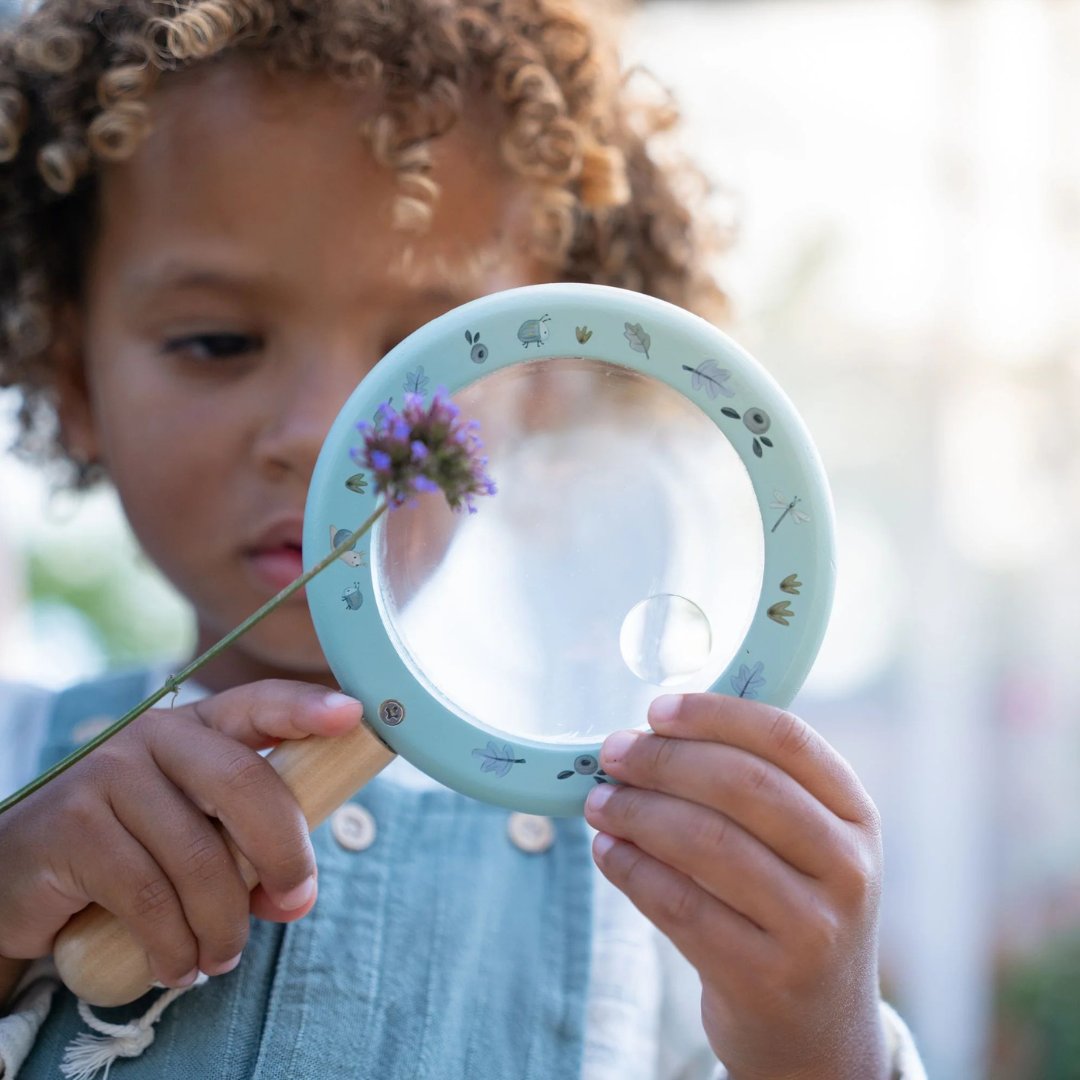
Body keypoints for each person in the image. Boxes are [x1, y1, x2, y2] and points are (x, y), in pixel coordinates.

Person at [0, 0, 926, 1077]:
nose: (322, 437)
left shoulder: (666, 872)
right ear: (73, 378)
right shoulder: (20, 776)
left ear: (541, 396)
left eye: (424, 355)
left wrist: (819, 1039)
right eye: (219, 340)